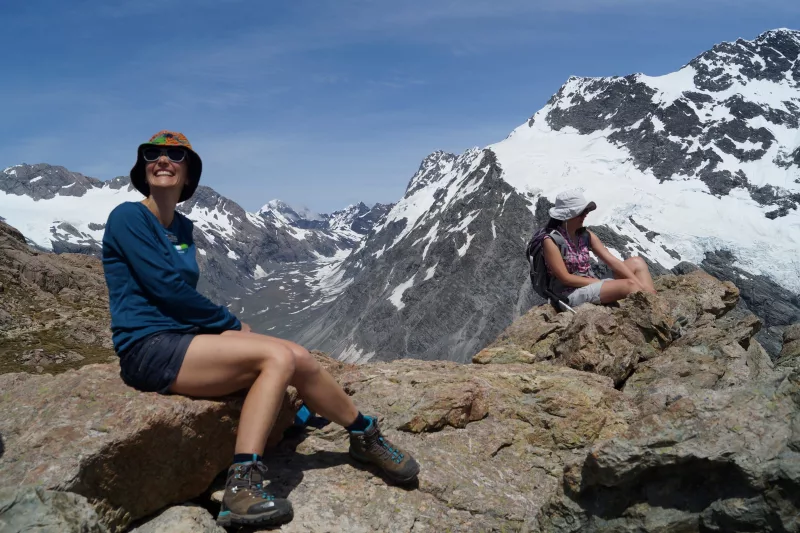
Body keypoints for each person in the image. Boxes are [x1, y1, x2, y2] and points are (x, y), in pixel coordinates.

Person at [101, 131, 419, 528]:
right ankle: (241, 486)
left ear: (188, 173)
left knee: (297, 355)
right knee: (275, 356)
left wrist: (228, 335)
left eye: (175, 155)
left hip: (181, 338)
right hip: (147, 347)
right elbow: (167, 288)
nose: (163, 160)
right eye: (153, 154)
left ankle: (364, 434)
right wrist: (232, 326)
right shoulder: (129, 217)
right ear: (142, 168)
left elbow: (178, 294)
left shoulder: (182, 228)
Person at [540, 189, 656, 308]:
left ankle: (651, 301)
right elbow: (566, 279)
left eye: (586, 210)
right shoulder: (551, 241)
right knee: (629, 285)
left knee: (637, 263)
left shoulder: (586, 235)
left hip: (591, 282)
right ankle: (650, 308)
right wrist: (602, 283)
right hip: (569, 293)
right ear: (567, 215)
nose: (586, 214)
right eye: (581, 212)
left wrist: (640, 286)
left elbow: (612, 261)